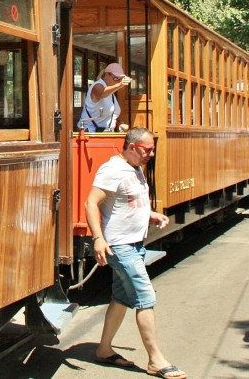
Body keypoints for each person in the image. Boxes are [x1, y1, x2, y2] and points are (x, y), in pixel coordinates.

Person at [85, 128, 187, 378]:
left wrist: (150, 216)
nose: (151, 153)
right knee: (145, 297)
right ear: (132, 147)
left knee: (121, 299)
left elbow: (128, 201)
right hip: (120, 246)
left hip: (136, 244)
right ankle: (156, 360)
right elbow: (91, 202)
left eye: (152, 149)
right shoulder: (112, 169)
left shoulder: (135, 167)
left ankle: (104, 349)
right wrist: (98, 239)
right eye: (147, 149)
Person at [80, 62, 131, 132]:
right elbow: (102, 93)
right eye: (116, 78)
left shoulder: (111, 91)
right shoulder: (97, 86)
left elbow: (111, 114)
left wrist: (120, 124)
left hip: (106, 133)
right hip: (91, 133)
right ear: (107, 74)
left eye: (120, 79)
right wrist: (119, 85)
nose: (117, 82)